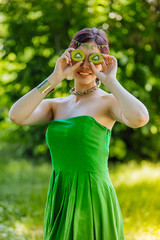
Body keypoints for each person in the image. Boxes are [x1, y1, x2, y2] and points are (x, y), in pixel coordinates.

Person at [9, 27, 149, 240]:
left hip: (91, 197)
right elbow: (17, 115)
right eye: (78, 57)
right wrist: (54, 78)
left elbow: (140, 118)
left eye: (93, 59)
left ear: (103, 60)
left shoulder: (108, 102)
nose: (85, 66)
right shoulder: (55, 105)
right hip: (61, 195)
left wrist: (111, 81)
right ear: (68, 57)